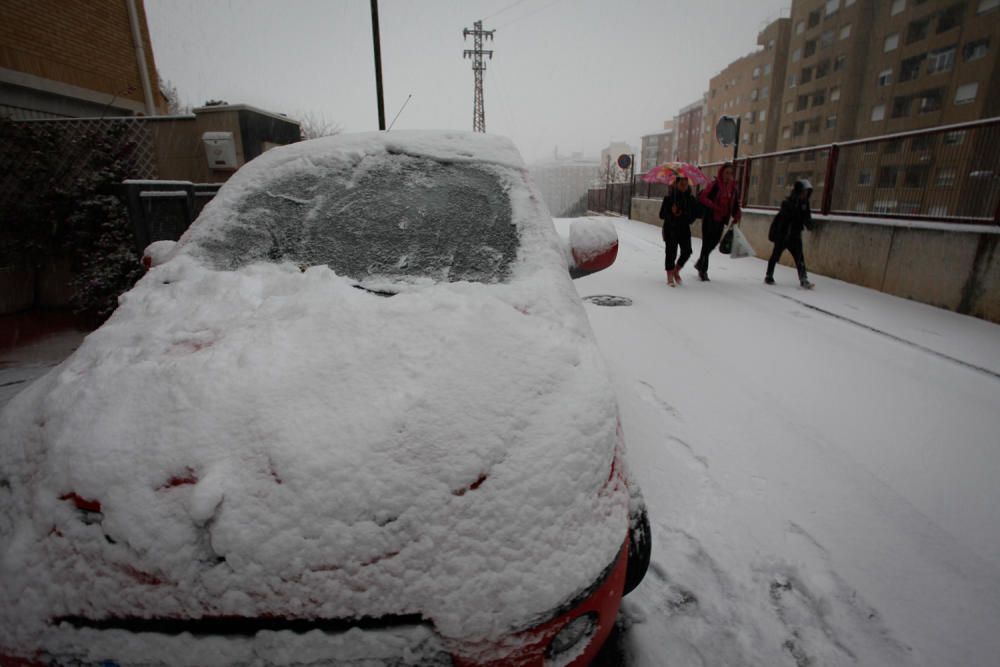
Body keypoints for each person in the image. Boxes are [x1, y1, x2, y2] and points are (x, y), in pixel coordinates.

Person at [695, 162, 742, 281]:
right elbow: (702, 197)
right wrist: (715, 207)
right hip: (710, 218)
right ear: (721, 173)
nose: (729, 175)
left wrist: (737, 214)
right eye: (726, 173)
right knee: (706, 244)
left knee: (714, 242)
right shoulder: (714, 185)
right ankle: (703, 270)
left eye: (731, 173)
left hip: (721, 220)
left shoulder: (733, 188)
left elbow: (735, 204)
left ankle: (700, 262)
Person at [765, 179, 815, 289]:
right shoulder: (787, 203)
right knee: (775, 256)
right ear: (798, 192)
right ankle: (769, 275)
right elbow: (786, 217)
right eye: (803, 192)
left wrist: (809, 224)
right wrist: (796, 210)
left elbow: (807, 217)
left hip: (795, 236)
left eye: (807, 192)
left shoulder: (805, 204)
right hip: (783, 235)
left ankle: (803, 279)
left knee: (799, 258)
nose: (805, 194)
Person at [659, 175, 697, 286]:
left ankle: (676, 270)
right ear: (676, 184)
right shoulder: (669, 198)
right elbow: (661, 215)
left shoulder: (691, 199)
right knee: (671, 252)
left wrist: (683, 214)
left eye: (686, 183)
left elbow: (693, 216)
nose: (684, 186)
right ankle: (670, 275)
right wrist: (671, 212)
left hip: (684, 228)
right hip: (670, 228)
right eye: (681, 183)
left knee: (687, 251)